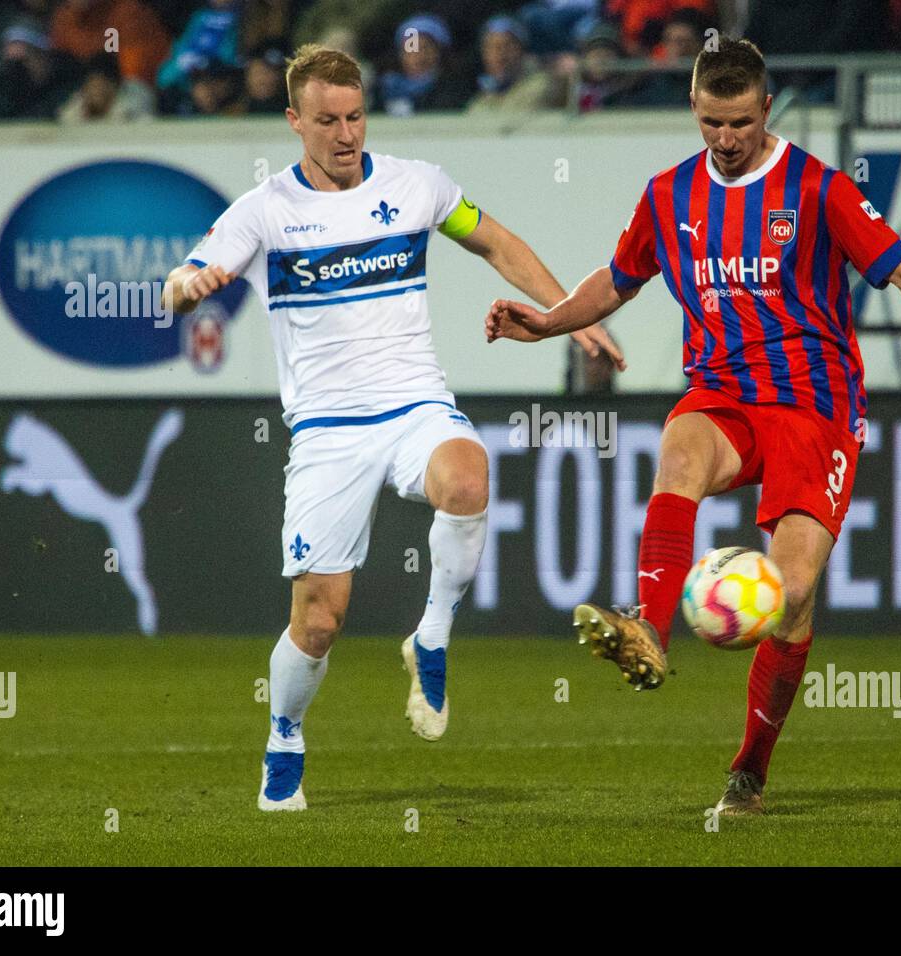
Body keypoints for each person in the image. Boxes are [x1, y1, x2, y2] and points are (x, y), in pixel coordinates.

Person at [485, 38, 901, 815]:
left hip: (815, 409)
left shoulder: (818, 189)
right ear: (694, 110)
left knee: (794, 592)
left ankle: (750, 768)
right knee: (677, 455)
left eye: (740, 122)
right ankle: (650, 631)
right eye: (712, 122)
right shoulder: (669, 195)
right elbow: (617, 278)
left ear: (766, 109)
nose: (727, 138)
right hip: (724, 395)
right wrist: (545, 323)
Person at [159, 45, 623, 811]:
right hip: (327, 431)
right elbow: (179, 282)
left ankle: (432, 634)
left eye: (355, 117)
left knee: (469, 478)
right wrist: (190, 285)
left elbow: (496, 242)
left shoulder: (417, 187)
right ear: (294, 123)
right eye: (327, 121)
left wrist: (566, 317)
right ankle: (284, 735)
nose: (346, 135)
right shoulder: (264, 211)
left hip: (414, 403)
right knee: (320, 618)